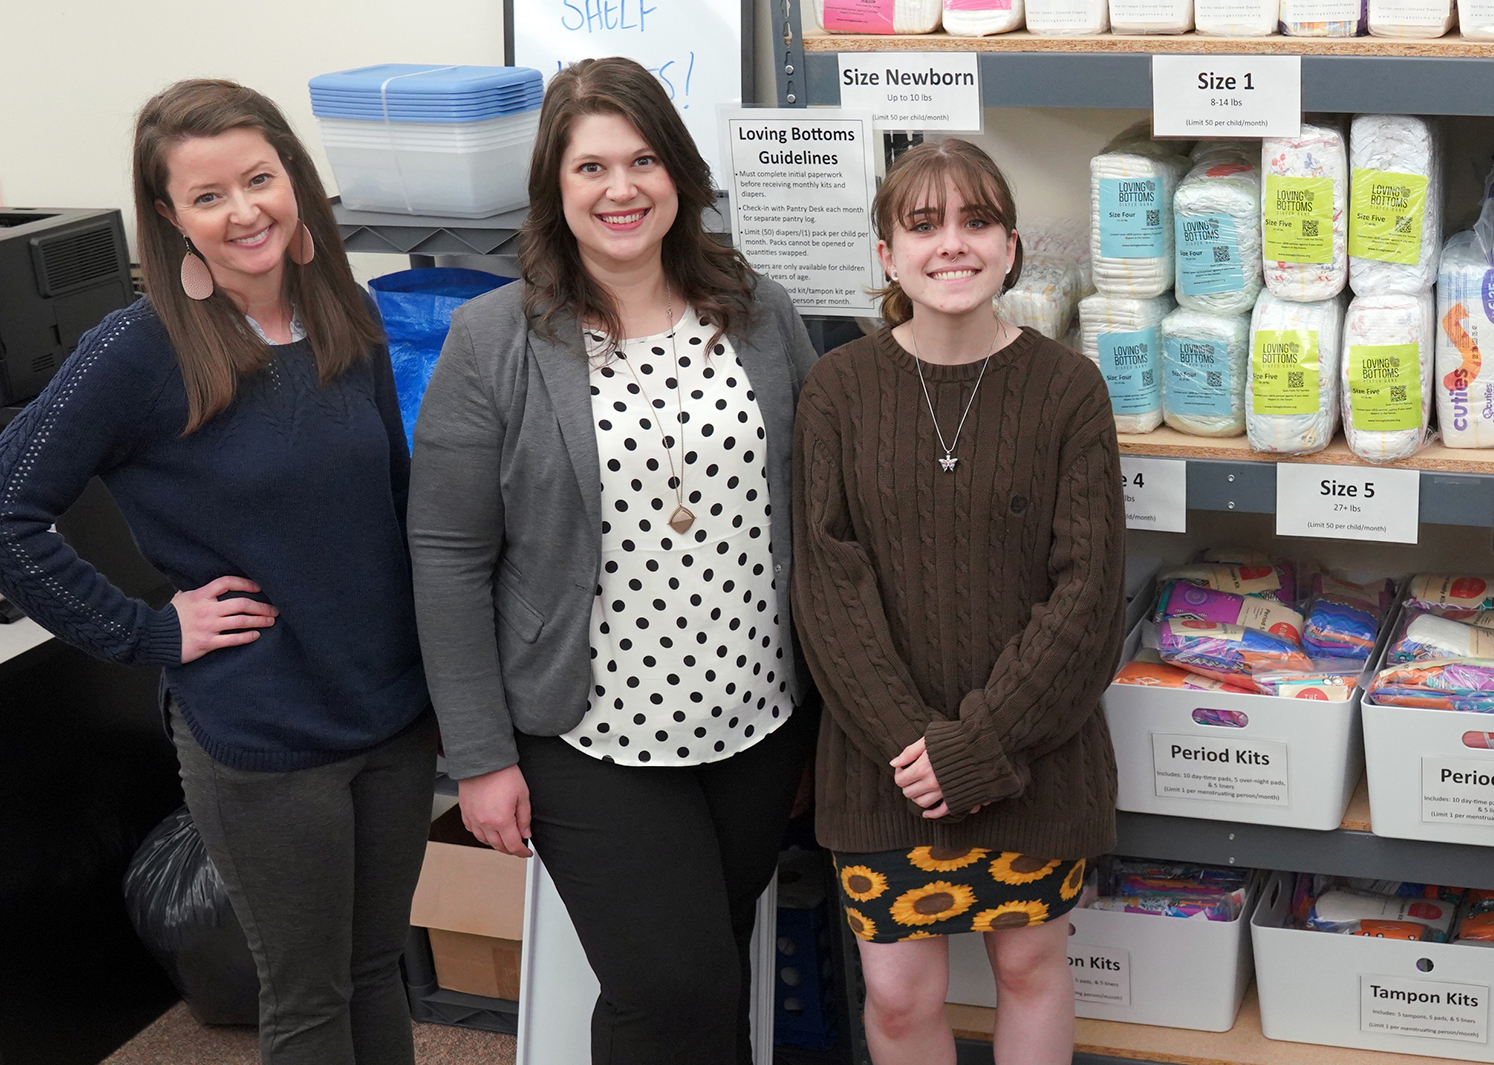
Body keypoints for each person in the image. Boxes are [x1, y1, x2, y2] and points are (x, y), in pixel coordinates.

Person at [0, 80, 433, 1065]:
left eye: (258, 179)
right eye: (207, 196)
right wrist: (149, 633)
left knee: (376, 971)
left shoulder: (346, 317)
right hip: (265, 739)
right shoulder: (141, 348)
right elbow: (8, 506)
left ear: (294, 179)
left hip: (392, 719)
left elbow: (393, 512)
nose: (243, 212)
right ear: (169, 216)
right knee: (309, 994)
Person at [407, 57, 818, 1062]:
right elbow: (447, 555)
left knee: (701, 975)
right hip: (590, 732)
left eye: (642, 159)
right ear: (556, 186)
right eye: (591, 167)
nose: (621, 187)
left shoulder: (759, 314)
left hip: (755, 720)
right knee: (671, 985)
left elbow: (819, 502)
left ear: (678, 171)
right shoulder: (494, 338)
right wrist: (481, 758)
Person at [792, 138, 1125, 1065]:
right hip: (882, 764)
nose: (953, 245)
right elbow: (827, 587)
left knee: (1028, 965)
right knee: (899, 996)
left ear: (1011, 246)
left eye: (977, 222)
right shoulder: (838, 391)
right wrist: (919, 748)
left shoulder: (1068, 389)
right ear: (886, 255)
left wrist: (976, 748)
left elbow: (1087, 593)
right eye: (924, 223)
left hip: (1033, 757)